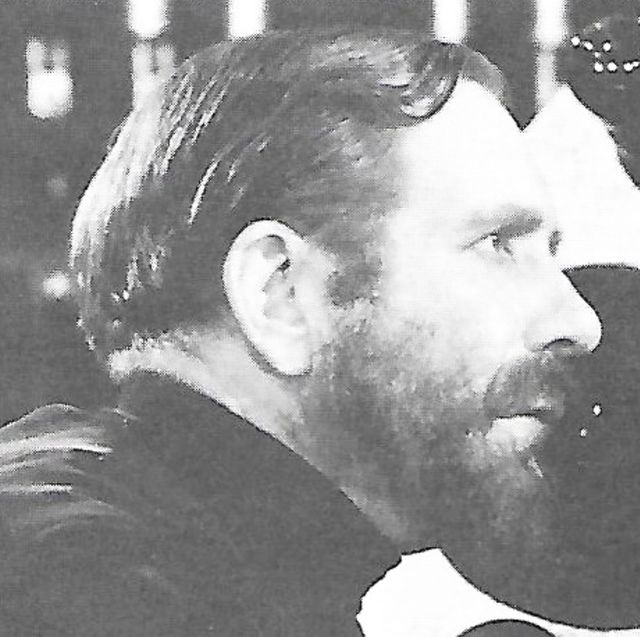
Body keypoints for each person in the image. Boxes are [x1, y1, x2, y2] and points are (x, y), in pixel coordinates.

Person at [0, 30, 605, 635]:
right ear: (280, 294)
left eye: (550, 255)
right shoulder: (82, 589)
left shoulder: (155, 550)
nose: (580, 322)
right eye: (498, 244)